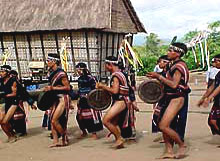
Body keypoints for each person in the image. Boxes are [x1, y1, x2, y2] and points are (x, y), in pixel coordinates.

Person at [147, 42, 190, 159]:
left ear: (178, 53)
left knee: (163, 125)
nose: (168, 53)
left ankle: (181, 145)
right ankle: (169, 151)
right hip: (168, 97)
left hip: (177, 97)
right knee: (163, 123)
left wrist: (159, 77)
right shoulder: (171, 65)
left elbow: (174, 84)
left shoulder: (179, 66)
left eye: (170, 51)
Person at [96, 56, 131, 148]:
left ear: (110, 65)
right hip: (121, 100)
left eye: (105, 65)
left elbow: (115, 91)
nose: (105, 67)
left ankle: (119, 139)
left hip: (121, 101)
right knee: (114, 122)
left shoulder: (116, 76)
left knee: (106, 120)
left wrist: (103, 86)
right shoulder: (120, 73)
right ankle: (118, 141)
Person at [45, 53, 71, 147]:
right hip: (55, 98)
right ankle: (55, 141)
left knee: (54, 120)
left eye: (48, 61)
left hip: (63, 98)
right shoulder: (52, 73)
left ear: (54, 61)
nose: (47, 62)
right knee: (52, 119)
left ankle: (64, 138)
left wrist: (52, 88)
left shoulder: (61, 73)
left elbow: (67, 87)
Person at [75, 62, 103, 139]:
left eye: (78, 70)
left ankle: (94, 134)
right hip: (82, 100)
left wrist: (91, 97)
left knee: (91, 117)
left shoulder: (91, 78)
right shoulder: (79, 79)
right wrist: (79, 98)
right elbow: (80, 90)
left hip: (90, 100)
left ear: (81, 69)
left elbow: (95, 89)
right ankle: (84, 131)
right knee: (79, 117)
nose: (77, 71)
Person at [0, 65, 24, 142]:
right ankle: (11, 135)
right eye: (0, 71)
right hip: (7, 101)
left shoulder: (13, 80)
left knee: (4, 122)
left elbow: (14, 94)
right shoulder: (1, 80)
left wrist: (4, 95)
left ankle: (12, 136)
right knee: (1, 121)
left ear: (7, 72)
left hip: (14, 102)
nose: (1, 73)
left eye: (3, 72)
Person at [198, 54, 220, 135]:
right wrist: (203, 98)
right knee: (211, 121)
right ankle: (217, 138)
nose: (216, 63)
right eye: (215, 61)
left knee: (214, 121)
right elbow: (212, 87)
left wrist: (210, 98)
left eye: (218, 61)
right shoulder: (218, 74)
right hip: (218, 101)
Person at [151, 55, 170, 142]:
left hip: (169, 99)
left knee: (165, 118)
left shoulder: (169, 74)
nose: (160, 63)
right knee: (157, 116)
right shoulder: (161, 74)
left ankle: (169, 136)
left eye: (162, 61)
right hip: (162, 99)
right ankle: (164, 135)